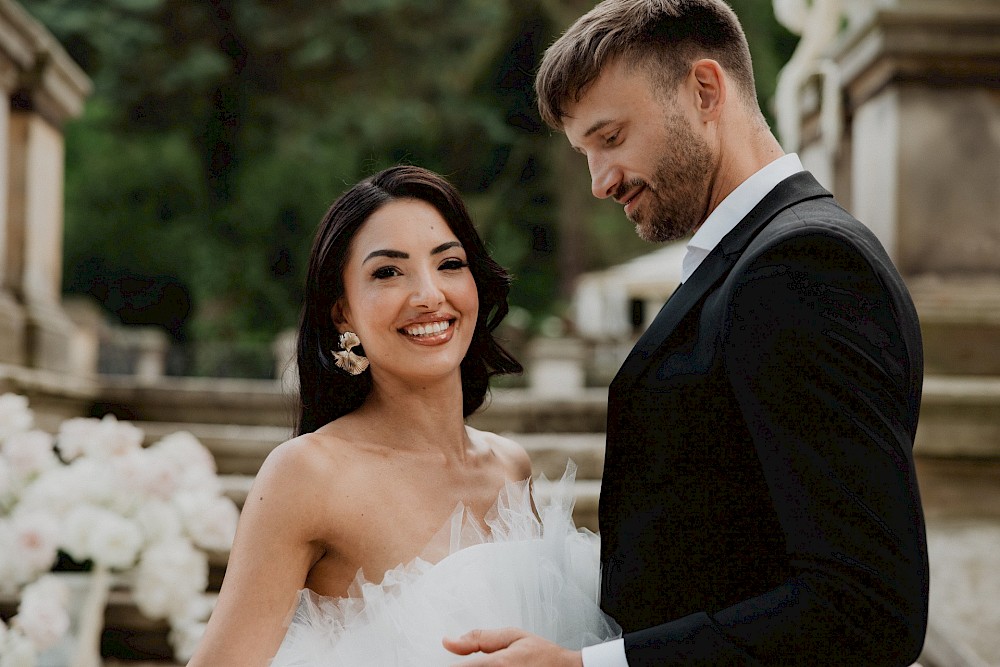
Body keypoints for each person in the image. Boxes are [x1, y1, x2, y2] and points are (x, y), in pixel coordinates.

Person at [444, 1, 929, 665]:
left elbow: (866, 606)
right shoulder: (755, 260)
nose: (599, 182)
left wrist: (591, 666)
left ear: (704, 90)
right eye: (585, 153)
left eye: (610, 138)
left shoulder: (801, 267)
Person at [188, 165, 620, 665]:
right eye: (388, 272)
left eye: (450, 263)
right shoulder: (307, 475)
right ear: (342, 313)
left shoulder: (509, 466)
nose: (429, 295)